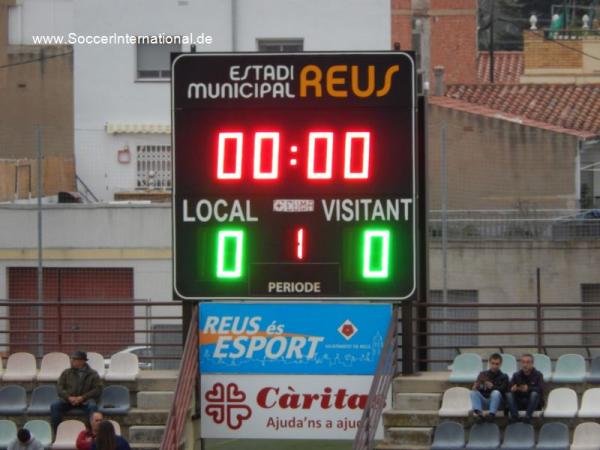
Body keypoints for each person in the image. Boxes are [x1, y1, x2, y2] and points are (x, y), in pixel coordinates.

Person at [51, 350, 103, 433]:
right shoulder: (66, 372)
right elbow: (59, 388)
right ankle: (57, 433)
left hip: (86, 401)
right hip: (68, 400)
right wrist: (68, 397)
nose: (72, 361)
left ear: (82, 361)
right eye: (72, 359)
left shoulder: (93, 374)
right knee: (55, 406)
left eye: (74, 359)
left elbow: (97, 389)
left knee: (93, 408)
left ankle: (91, 433)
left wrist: (82, 397)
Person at [469, 353, 509, 423]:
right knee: (473, 392)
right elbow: (477, 387)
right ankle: (479, 415)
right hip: (485, 401)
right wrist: (475, 387)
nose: (494, 366)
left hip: (498, 403)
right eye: (492, 363)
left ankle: (492, 415)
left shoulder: (504, 376)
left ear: (500, 364)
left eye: (497, 364)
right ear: (489, 363)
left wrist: (492, 387)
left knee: (495, 393)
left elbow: (503, 391)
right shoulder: (482, 374)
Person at [506, 353, 544, 423]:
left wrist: (528, 388)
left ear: (532, 364)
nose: (525, 365)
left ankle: (528, 416)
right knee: (509, 394)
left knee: (534, 394)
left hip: (532, 402)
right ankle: (515, 416)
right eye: (523, 362)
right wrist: (512, 388)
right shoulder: (516, 375)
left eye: (527, 362)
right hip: (520, 401)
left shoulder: (538, 375)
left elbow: (541, 389)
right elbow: (508, 388)